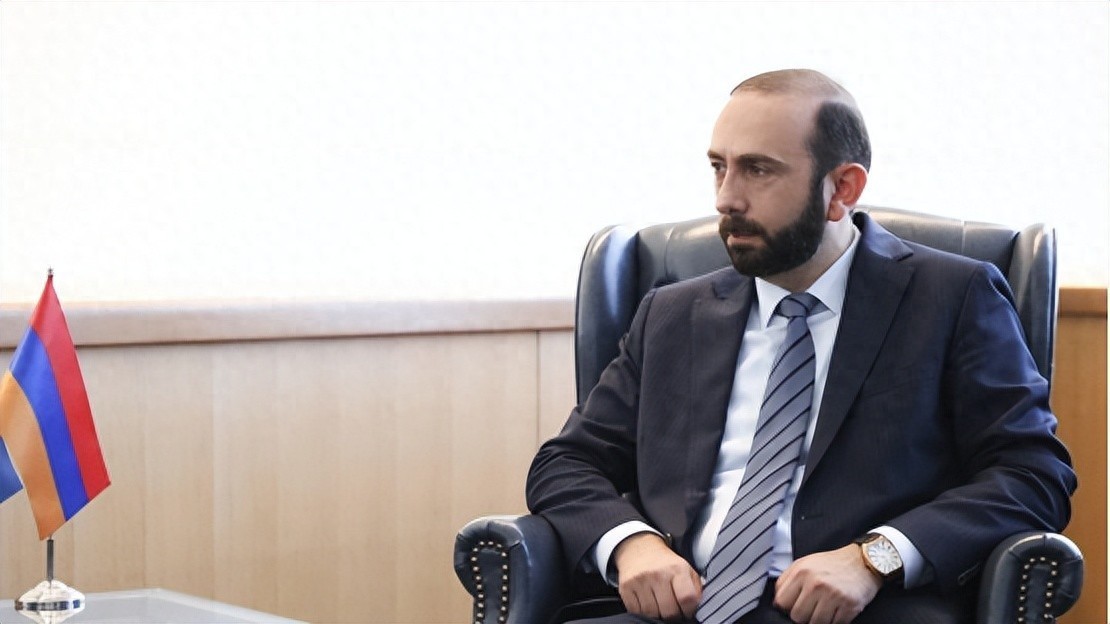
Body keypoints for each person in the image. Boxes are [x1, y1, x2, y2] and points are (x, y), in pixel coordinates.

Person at [525, 69, 1076, 624]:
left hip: (859, 612)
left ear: (843, 189)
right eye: (719, 167)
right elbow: (567, 462)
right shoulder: (671, 314)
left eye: (758, 170)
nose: (726, 198)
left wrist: (875, 558)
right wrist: (630, 543)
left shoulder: (952, 298)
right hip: (674, 608)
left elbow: (1032, 473)